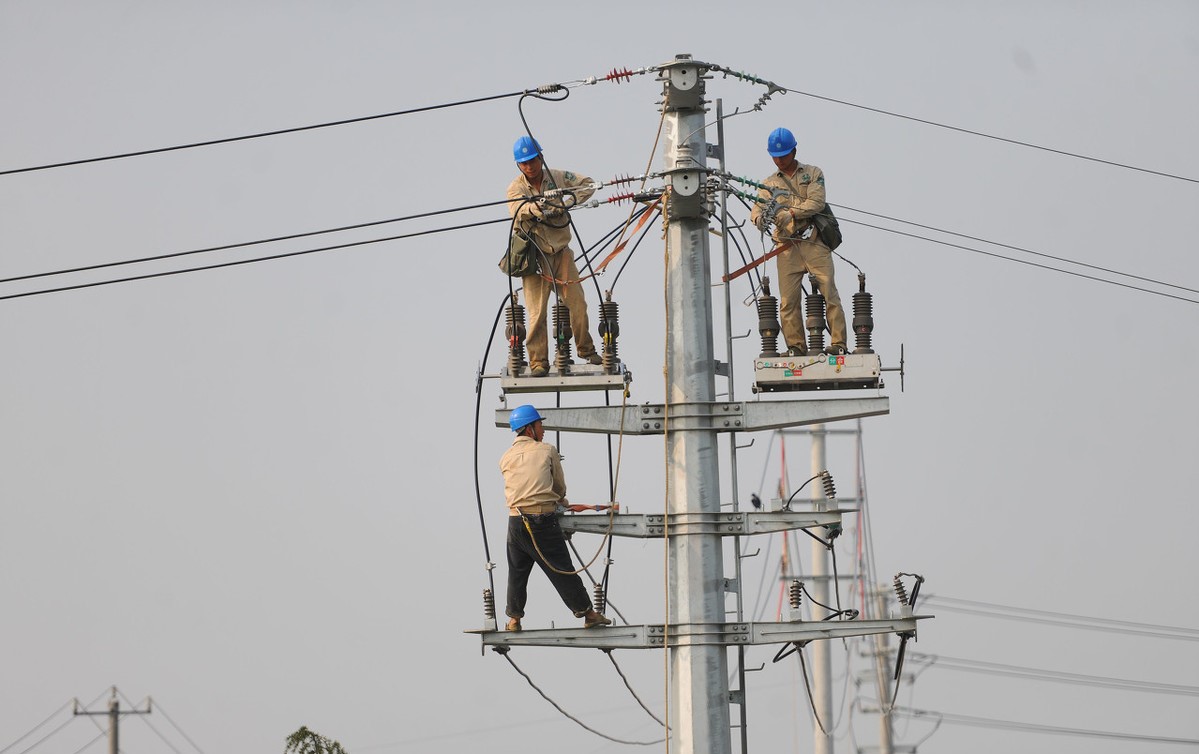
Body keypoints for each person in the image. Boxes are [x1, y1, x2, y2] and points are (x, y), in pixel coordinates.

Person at [499, 404, 612, 631]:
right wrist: (561, 501)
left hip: (515, 522)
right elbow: (559, 487)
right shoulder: (546, 450)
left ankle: (514, 620)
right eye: (540, 425)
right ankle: (588, 614)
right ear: (529, 428)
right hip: (541, 521)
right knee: (561, 568)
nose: (543, 430)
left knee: (517, 572)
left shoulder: (506, 457)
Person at [506, 136, 602, 377]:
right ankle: (538, 361)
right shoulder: (516, 187)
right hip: (535, 256)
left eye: (533, 160)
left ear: (541, 157)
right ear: (519, 165)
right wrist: (536, 207)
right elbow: (515, 209)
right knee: (537, 312)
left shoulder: (558, 177)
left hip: (561, 254)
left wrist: (569, 200)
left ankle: (586, 349)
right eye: (524, 163)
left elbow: (588, 184)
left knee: (577, 303)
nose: (530, 166)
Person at [749, 127, 848, 356]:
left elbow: (817, 202)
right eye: (775, 156)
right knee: (788, 301)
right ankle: (795, 346)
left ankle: (839, 343)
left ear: (794, 151)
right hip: (786, 248)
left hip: (814, 242)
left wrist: (790, 214)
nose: (779, 160)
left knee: (829, 292)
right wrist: (758, 219)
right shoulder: (768, 184)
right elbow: (756, 209)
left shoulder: (812, 173)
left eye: (783, 155)